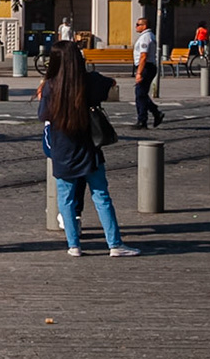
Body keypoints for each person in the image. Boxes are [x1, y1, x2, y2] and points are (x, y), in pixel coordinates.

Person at [40, 42, 140, 258]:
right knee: (101, 195)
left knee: (65, 199)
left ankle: (73, 245)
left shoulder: (50, 86)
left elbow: (43, 115)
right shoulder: (89, 81)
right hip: (88, 149)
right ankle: (114, 244)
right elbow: (110, 83)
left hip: (63, 150)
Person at [132, 17, 164, 129]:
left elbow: (143, 56)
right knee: (142, 93)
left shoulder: (145, 37)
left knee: (140, 94)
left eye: (138, 24)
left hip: (146, 67)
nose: (136, 26)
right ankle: (156, 113)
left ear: (144, 26)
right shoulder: (149, 36)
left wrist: (139, 73)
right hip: (148, 67)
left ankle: (142, 120)